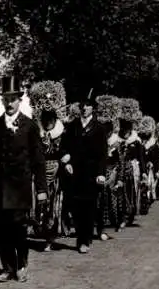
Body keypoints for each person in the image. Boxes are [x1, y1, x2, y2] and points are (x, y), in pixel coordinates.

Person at [0, 75, 47, 283]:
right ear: (2, 100)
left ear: (20, 100)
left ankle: (22, 265)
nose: (9, 103)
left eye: (13, 99)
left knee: (18, 226)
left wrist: (42, 188)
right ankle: (7, 267)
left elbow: (38, 159)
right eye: (5, 99)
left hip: (21, 186)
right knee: (2, 227)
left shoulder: (29, 126)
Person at [60, 91, 107, 254]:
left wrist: (101, 173)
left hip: (92, 174)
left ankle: (84, 239)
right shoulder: (72, 126)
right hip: (75, 172)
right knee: (76, 207)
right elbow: (63, 147)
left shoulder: (100, 128)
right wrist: (65, 159)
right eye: (82, 106)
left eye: (87, 106)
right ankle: (81, 236)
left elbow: (103, 153)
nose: (84, 108)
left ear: (93, 108)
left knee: (89, 206)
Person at [35, 109, 65, 251]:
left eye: (50, 120)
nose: (48, 123)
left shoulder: (61, 135)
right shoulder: (37, 135)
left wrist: (65, 158)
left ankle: (50, 239)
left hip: (56, 174)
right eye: (45, 120)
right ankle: (40, 233)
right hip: (39, 173)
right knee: (40, 206)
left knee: (53, 207)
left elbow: (65, 151)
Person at [94, 95, 123, 238]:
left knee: (110, 203)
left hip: (111, 173)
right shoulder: (96, 137)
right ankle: (99, 229)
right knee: (97, 203)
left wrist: (119, 178)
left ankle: (106, 228)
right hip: (97, 173)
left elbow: (120, 161)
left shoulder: (116, 142)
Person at [116, 99, 145, 229]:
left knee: (131, 194)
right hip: (119, 170)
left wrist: (143, 172)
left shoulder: (136, 141)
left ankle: (128, 216)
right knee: (119, 194)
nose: (125, 131)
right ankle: (119, 216)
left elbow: (141, 157)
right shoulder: (116, 140)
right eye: (123, 129)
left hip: (133, 170)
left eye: (127, 129)